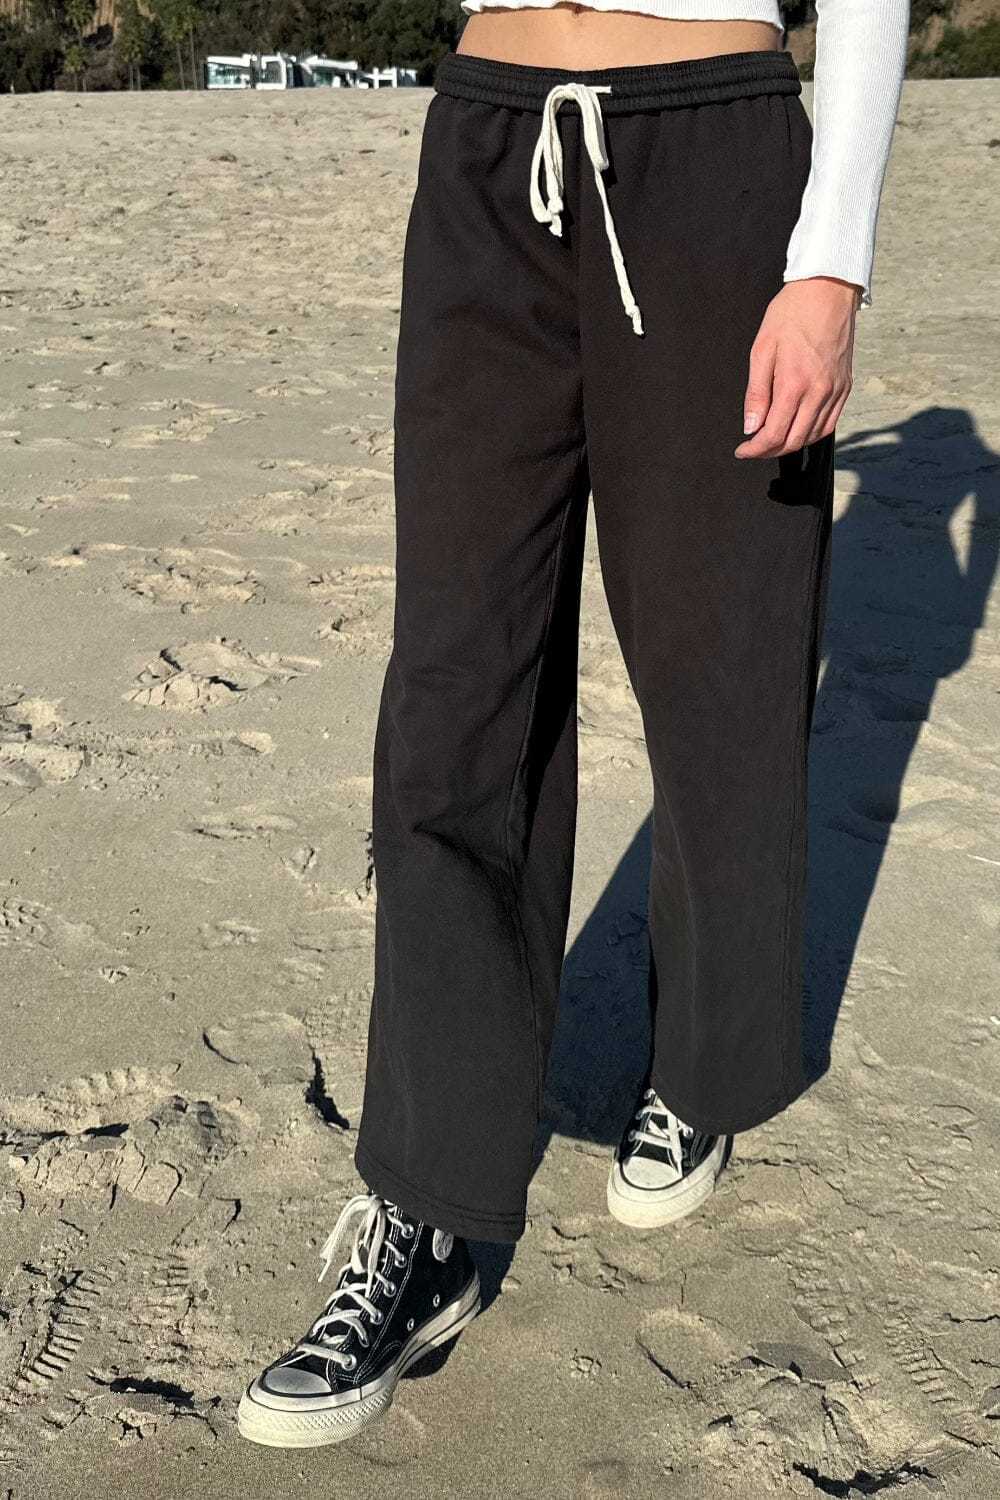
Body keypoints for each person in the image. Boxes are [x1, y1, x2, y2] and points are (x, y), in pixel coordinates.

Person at [238, 0, 909, 1448]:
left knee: (718, 666)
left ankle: (703, 1073)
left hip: (713, 145)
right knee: (452, 690)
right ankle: (421, 1205)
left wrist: (830, 261)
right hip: (487, 143)